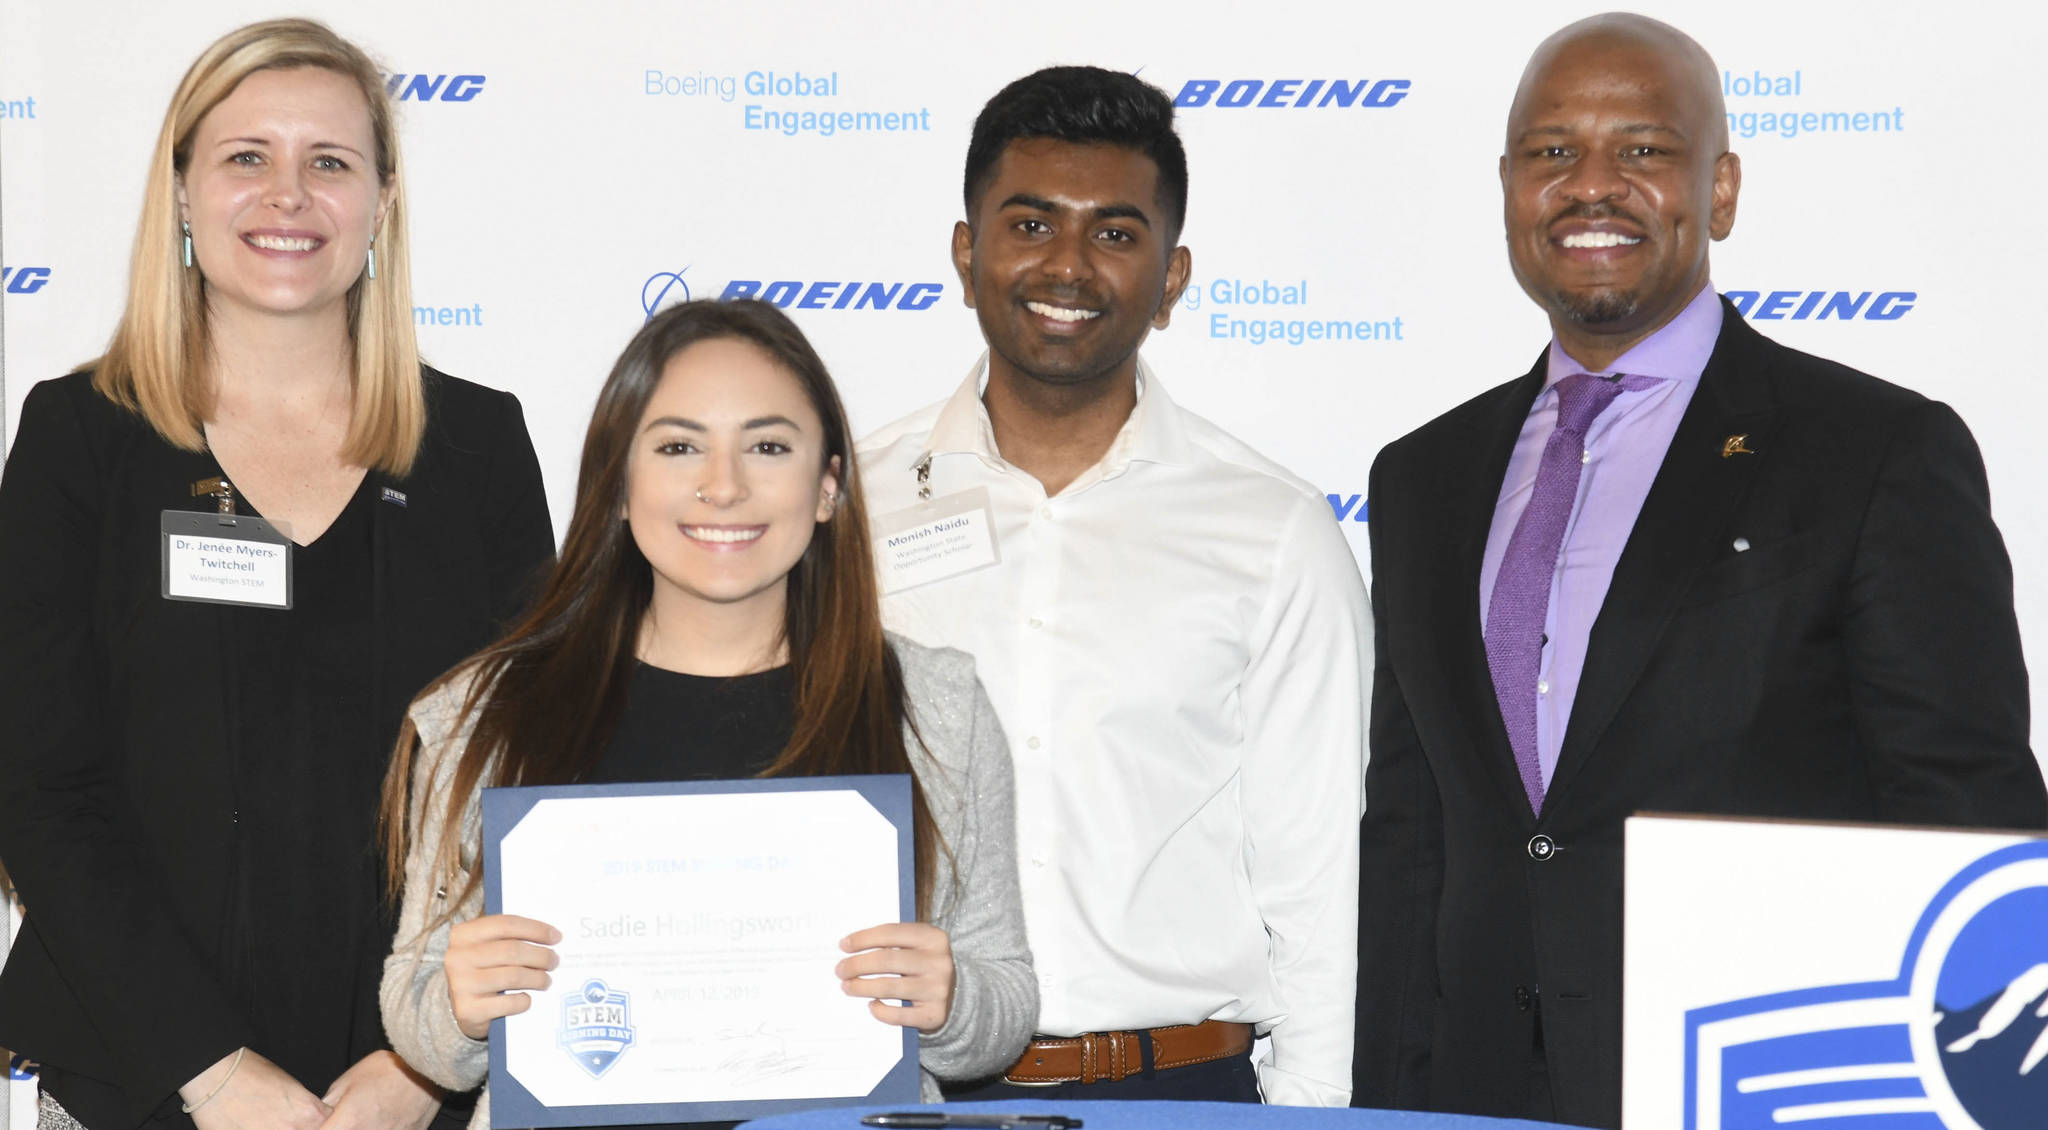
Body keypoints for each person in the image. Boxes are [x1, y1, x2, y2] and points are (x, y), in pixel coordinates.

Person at [1353, 13, 2048, 1129]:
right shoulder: (1420, 477)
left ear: (1718, 189)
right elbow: (1409, 834)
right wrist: (1384, 1104)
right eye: (1549, 152)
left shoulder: (1871, 450)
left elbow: (1967, 822)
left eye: (1641, 149)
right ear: (1505, 188)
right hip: (1476, 1094)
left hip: (1774, 1078)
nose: (1590, 185)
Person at [0, 18, 555, 1130]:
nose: (287, 195)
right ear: (184, 194)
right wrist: (207, 1068)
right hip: (136, 1075)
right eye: (247, 156)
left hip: (409, 1089)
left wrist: (425, 1061)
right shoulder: (79, 440)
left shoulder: (478, 448)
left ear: (381, 204)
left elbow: (530, 779)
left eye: (330, 162)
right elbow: (38, 785)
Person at [378, 299, 1035, 1129]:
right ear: (618, 485)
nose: (723, 487)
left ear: (828, 485)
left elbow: (1004, 996)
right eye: (680, 446)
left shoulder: (933, 705)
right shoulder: (486, 712)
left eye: (767, 447)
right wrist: (461, 1005)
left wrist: (951, 999)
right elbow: (417, 1011)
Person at [858, 66, 1370, 1106]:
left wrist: (1310, 1112)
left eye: (1115, 233)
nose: (1068, 265)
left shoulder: (1272, 528)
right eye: (1030, 223)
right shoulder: (851, 509)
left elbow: (1315, 876)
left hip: (1181, 1091)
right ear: (965, 254)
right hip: (906, 1089)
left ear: (1172, 277)